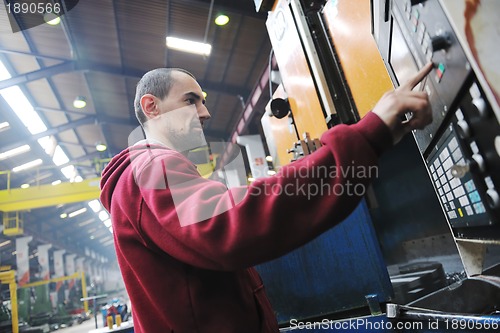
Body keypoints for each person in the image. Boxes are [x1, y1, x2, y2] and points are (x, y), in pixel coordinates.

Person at [99, 63, 433, 332]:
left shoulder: (148, 173)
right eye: (191, 100)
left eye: (203, 101)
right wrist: (367, 135)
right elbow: (234, 224)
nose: (205, 113)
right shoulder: (152, 168)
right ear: (151, 107)